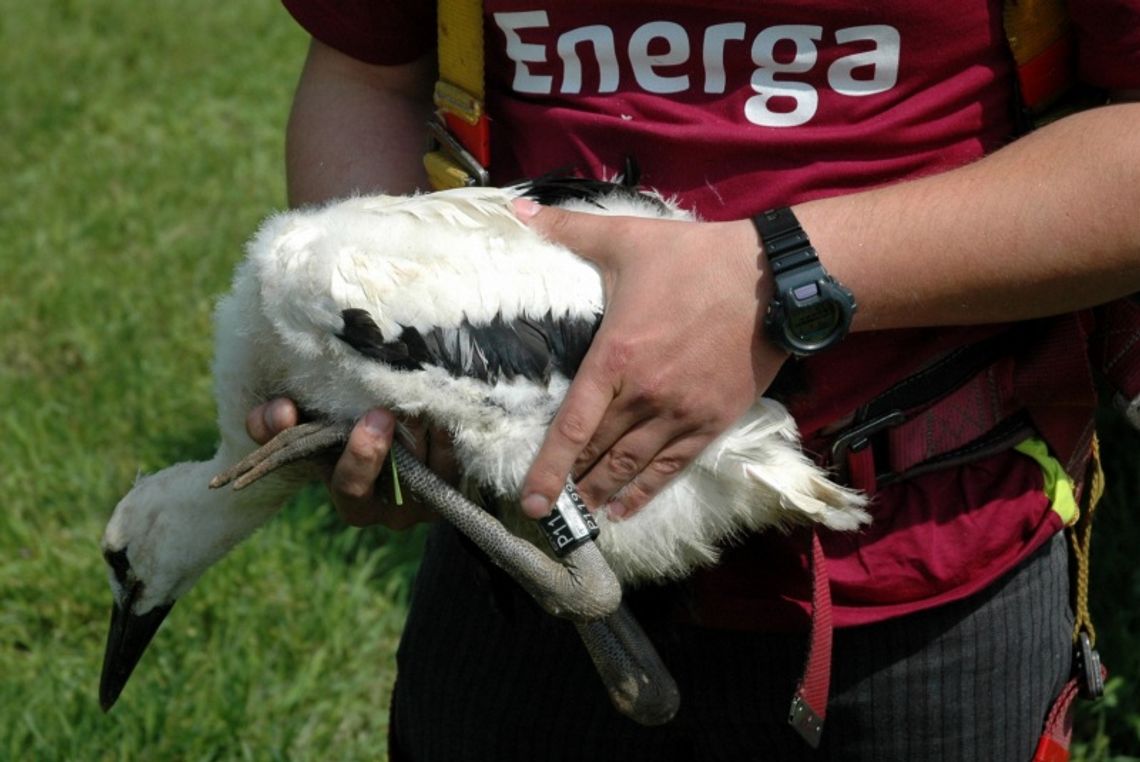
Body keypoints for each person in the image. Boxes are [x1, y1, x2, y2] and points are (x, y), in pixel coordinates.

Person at [251, 1, 1140, 758]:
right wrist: (376, 375)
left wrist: (780, 277)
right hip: (517, 574)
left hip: (930, 587)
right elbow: (369, 72)